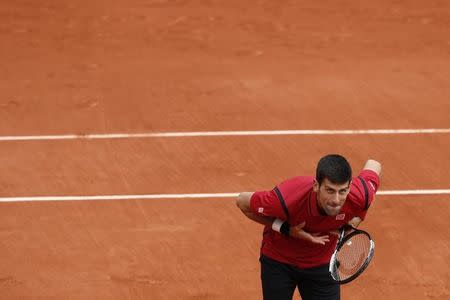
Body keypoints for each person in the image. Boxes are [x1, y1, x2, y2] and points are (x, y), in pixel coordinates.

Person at [236, 154, 381, 300]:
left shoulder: (360, 195)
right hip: (280, 261)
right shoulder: (287, 198)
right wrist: (286, 229)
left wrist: (355, 220)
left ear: (349, 187)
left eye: (342, 191)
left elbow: (374, 164)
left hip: (323, 265)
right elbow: (242, 201)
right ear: (316, 185)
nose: (336, 200)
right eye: (329, 190)